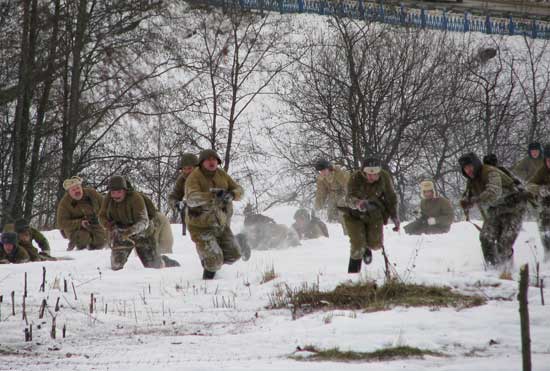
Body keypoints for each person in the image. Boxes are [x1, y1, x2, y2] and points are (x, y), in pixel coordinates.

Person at [185, 149, 250, 279]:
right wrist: (212, 195)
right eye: (208, 159)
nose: (211, 162)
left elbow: (240, 190)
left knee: (234, 255)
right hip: (201, 227)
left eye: (214, 159)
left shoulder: (222, 174)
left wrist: (231, 195)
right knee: (214, 261)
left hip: (220, 224)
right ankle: (207, 280)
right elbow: (191, 199)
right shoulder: (194, 177)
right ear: (202, 162)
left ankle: (236, 243)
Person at [459, 152, 528, 268]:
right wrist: (465, 202)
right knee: (486, 237)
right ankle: (493, 268)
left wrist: (476, 200)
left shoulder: (490, 172)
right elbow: (467, 196)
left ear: (475, 164)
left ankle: (506, 270)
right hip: (495, 210)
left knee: (505, 242)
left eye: (470, 167)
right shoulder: (471, 181)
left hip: (514, 209)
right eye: (465, 168)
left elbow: (494, 192)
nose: (468, 170)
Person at [99, 175, 179, 270]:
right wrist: (107, 224)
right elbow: (101, 216)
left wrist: (130, 231)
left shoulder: (135, 198)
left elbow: (143, 221)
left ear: (125, 190)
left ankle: (164, 261)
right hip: (121, 233)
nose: (116, 195)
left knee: (153, 266)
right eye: (113, 192)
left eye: (119, 192)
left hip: (143, 234)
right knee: (116, 266)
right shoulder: (108, 199)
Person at [342, 157, 399, 273]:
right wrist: (357, 203)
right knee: (357, 244)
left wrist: (394, 216)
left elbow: (391, 197)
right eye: (368, 174)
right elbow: (348, 198)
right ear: (363, 172)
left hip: (374, 213)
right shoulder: (355, 178)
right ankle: (353, 274)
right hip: (354, 215)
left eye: (375, 174)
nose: (371, 177)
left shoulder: (385, 177)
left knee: (376, 244)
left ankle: (367, 248)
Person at [56, 176, 107, 251]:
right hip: (74, 228)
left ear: (81, 187)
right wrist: (80, 223)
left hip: (94, 224)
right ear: (69, 192)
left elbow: (105, 205)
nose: (76, 191)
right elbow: (61, 223)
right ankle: (78, 244)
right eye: (73, 190)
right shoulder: (64, 203)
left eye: (77, 188)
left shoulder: (92, 193)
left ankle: (93, 245)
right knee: (83, 239)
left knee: (101, 241)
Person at [526, 143, 550, 261]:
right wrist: (541, 189)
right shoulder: (542, 170)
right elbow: (529, 185)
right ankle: (548, 253)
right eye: (548, 160)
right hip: (547, 203)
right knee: (544, 228)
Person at [314, 159, 349, 226]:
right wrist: (317, 207)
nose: (322, 172)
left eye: (324, 170)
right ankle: (334, 230)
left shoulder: (339, 172)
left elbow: (347, 185)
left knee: (343, 212)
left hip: (343, 193)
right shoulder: (322, 178)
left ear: (328, 168)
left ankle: (347, 230)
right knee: (331, 213)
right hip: (332, 195)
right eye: (320, 171)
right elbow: (321, 193)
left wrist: (352, 199)